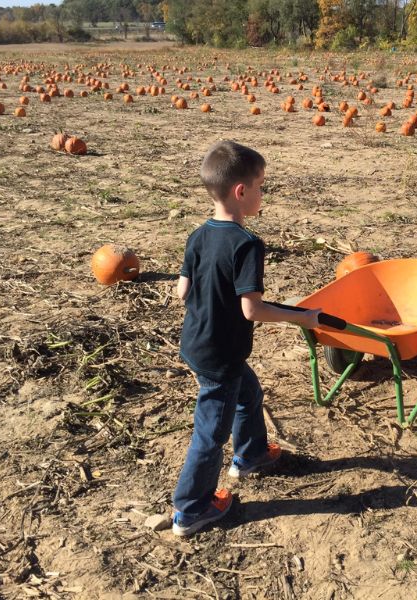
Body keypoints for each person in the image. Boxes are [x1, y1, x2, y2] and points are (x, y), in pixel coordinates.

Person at [172, 140, 321, 536]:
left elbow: (182, 291)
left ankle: (251, 453)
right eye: (261, 186)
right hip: (221, 354)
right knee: (210, 433)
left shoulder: (198, 235)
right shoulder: (247, 244)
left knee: (249, 394)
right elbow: (251, 310)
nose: (262, 194)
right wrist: (302, 317)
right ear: (241, 192)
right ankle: (191, 509)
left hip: (196, 342)